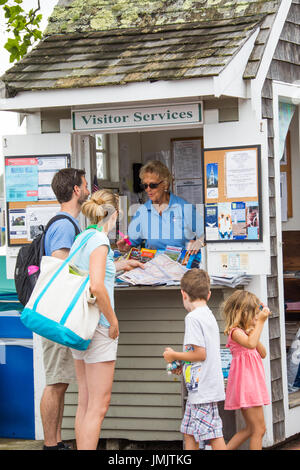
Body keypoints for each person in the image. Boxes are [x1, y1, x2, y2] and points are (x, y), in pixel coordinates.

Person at [68, 189, 144, 450]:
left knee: (85, 402)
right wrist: (113, 321)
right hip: (100, 327)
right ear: (116, 214)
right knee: (98, 406)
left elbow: (91, 270)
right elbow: (98, 287)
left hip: (80, 325)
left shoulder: (83, 238)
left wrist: (120, 264)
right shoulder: (100, 240)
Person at [40, 168, 90, 450]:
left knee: (60, 382)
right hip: (56, 314)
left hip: (58, 314)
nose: (87, 190)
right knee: (55, 382)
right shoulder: (64, 225)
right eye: (85, 185)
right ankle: (50, 444)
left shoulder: (69, 223)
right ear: (75, 190)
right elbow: (61, 268)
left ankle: (56, 442)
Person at [163, 269, 226, 451]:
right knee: (189, 431)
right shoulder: (207, 315)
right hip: (199, 388)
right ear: (208, 294)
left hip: (203, 390)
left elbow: (200, 354)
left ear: (183, 294)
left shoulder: (193, 318)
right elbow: (198, 354)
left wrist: (174, 355)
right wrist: (182, 363)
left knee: (213, 434)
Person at [117, 160, 204, 254]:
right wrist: (125, 245)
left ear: (165, 184)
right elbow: (131, 242)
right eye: (145, 186)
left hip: (180, 265)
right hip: (152, 265)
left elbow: (206, 234)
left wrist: (200, 242)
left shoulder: (184, 208)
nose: (148, 189)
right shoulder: (142, 212)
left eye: (153, 185)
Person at [222, 290, 270, 450]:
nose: (257, 318)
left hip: (252, 386)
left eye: (258, 315)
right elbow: (249, 344)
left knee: (251, 429)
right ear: (241, 313)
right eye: (254, 314)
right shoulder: (235, 332)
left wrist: (255, 329)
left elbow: (262, 353)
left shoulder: (249, 334)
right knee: (259, 429)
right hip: (247, 386)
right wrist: (261, 323)